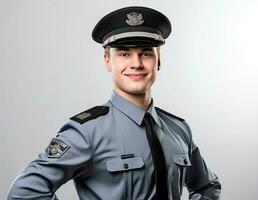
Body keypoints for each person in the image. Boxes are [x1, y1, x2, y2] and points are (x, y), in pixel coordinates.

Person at [7, 6, 221, 200]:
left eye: (145, 53)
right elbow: (25, 192)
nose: (136, 64)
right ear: (108, 61)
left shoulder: (179, 129)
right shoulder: (86, 132)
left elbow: (207, 187)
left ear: (159, 60)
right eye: (124, 54)